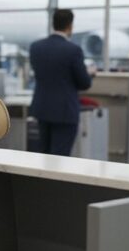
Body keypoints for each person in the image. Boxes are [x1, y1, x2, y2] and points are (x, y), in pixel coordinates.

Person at [29, 9, 94, 156]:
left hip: (42, 109)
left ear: (53, 24)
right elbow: (84, 83)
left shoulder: (36, 47)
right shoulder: (73, 50)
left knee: (42, 155)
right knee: (60, 158)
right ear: (70, 26)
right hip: (65, 112)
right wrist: (90, 74)